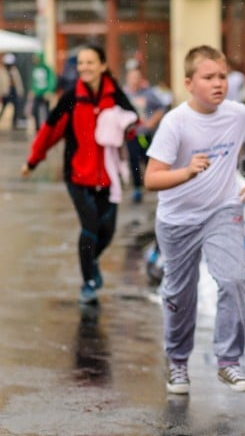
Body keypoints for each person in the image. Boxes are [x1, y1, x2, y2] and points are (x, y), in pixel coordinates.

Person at [143, 45, 245, 395]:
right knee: (180, 295)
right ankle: (178, 362)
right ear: (189, 83)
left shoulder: (238, 114)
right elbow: (152, 179)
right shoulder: (175, 123)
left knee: (234, 280)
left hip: (222, 210)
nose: (218, 84)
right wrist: (187, 172)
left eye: (222, 77)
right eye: (209, 77)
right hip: (178, 219)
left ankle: (229, 361)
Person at [22, 44, 137, 304]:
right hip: (77, 176)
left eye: (90, 62)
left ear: (103, 66)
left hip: (108, 178)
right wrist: (33, 160)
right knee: (90, 227)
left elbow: (132, 120)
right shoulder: (71, 97)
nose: (84, 67)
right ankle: (88, 282)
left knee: (107, 230)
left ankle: (92, 260)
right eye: (81, 63)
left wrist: (127, 128)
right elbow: (50, 131)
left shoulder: (115, 94)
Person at [123, 60, 170, 204]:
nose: (134, 81)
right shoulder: (124, 93)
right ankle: (137, 188)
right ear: (127, 79)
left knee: (146, 158)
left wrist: (151, 121)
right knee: (133, 160)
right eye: (132, 78)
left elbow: (161, 108)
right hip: (130, 134)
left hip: (143, 134)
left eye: (136, 78)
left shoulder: (148, 93)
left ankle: (156, 182)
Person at [29, 52, 57, 132]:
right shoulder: (35, 69)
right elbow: (34, 81)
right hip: (37, 93)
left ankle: (48, 129)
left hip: (45, 94)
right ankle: (38, 129)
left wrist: (49, 91)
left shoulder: (47, 68)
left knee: (46, 112)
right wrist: (32, 90)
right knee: (35, 111)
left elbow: (51, 80)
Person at [1, 53, 25, 129]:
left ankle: (14, 122)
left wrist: (20, 91)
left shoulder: (14, 70)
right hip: (6, 92)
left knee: (16, 107)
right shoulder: (2, 71)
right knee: (3, 108)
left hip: (14, 91)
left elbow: (18, 81)